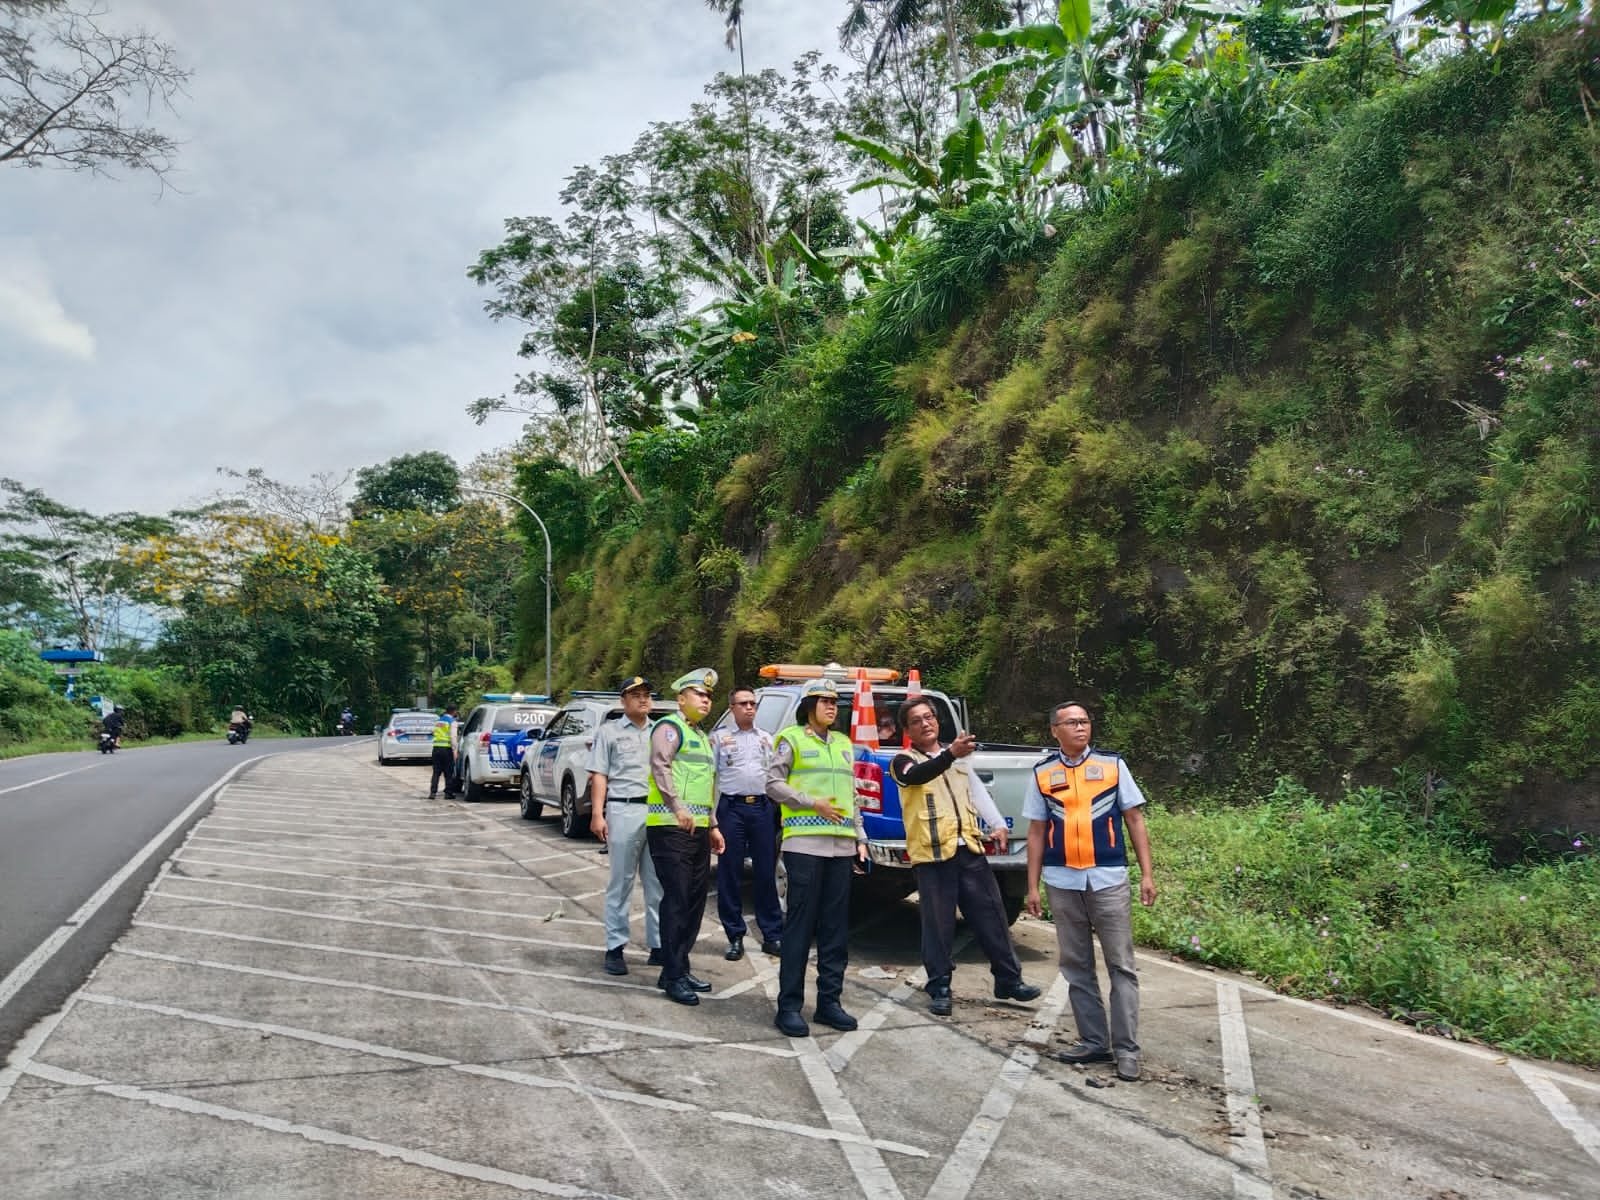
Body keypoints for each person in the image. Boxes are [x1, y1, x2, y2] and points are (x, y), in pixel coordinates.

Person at [1024, 701, 1156, 1082]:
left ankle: (1127, 1049)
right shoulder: (1043, 773)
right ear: (1055, 730)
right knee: (1076, 965)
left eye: (1084, 721)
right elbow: (1036, 831)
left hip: (1108, 878)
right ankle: (1094, 1040)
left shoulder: (1112, 766)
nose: (1081, 727)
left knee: (1121, 965)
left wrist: (1147, 874)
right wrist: (1032, 886)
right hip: (1062, 881)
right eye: (1072, 722)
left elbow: (1134, 819)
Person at [890, 696, 1041, 1017]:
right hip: (932, 854)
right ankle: (940, 987)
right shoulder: (903, 760)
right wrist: (949, 755)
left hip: (969, 848)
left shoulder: (958, 758)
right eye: (916, 721)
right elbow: (915, 777)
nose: (925, 724)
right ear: (907, 731)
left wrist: (998, 824)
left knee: (992, 916)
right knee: (938, 924)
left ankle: (1009, 980)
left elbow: (976, 791)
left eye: (929, 717)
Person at [767, 678, 867, 1038]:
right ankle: (789, 1007)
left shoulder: (843, 743)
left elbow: (852, 794)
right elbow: (772, 784)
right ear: (808, 706)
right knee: (800, 927)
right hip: (805, 846)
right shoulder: (791, 739)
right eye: (823, 701)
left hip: (841, 848)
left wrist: (860, 837)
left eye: (834, 701)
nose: (831, 706)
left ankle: (829, 1003)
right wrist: (812, 803)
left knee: (835, 929)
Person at [646, 668, 725, 1005]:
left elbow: (708, 786)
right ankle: (673, 974)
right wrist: (677, 807)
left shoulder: (702, 737)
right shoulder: (669, 728)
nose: (706, 700)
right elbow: (660, 767)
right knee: (677, 898)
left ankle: (678, 967)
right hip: (669, 827)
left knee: (694, 901)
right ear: (681, 699)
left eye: (709, 696)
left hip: (698, 829)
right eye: (699, 695)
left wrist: (714, 825)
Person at [589, 676, 664, 976]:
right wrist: (597, 813)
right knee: (621, 882)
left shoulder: (661, 731)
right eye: (636, 695)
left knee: (657, 883)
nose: (643, 699)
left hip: (657, 812)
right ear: (623, 701)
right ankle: (615, 947)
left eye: (647, 694)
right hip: (624, 808)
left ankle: (659, 945)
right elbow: (599, 774)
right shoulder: (609, 732)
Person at [713, 685, 781, 962]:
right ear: (732, 708)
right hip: (732, 808)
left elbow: (776, 776)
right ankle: (734, 935)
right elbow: (710, 776)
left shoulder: (766, 738)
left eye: (753, 703)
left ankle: (772, 934)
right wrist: (711, 819)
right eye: (743, 703)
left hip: (762, 807)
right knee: (730, 872)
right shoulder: (719, 738)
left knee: (765, 871)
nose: (749, 708)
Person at [429, 704, 459, 799]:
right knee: (448, 772)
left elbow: (433, 732)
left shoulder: (438, 721)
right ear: (454, 711)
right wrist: (455, 750)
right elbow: (453, 737)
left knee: (436, 772)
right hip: (447, 749)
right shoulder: (452, 722)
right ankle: (448, 793)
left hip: (436, 748)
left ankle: (433, 793)